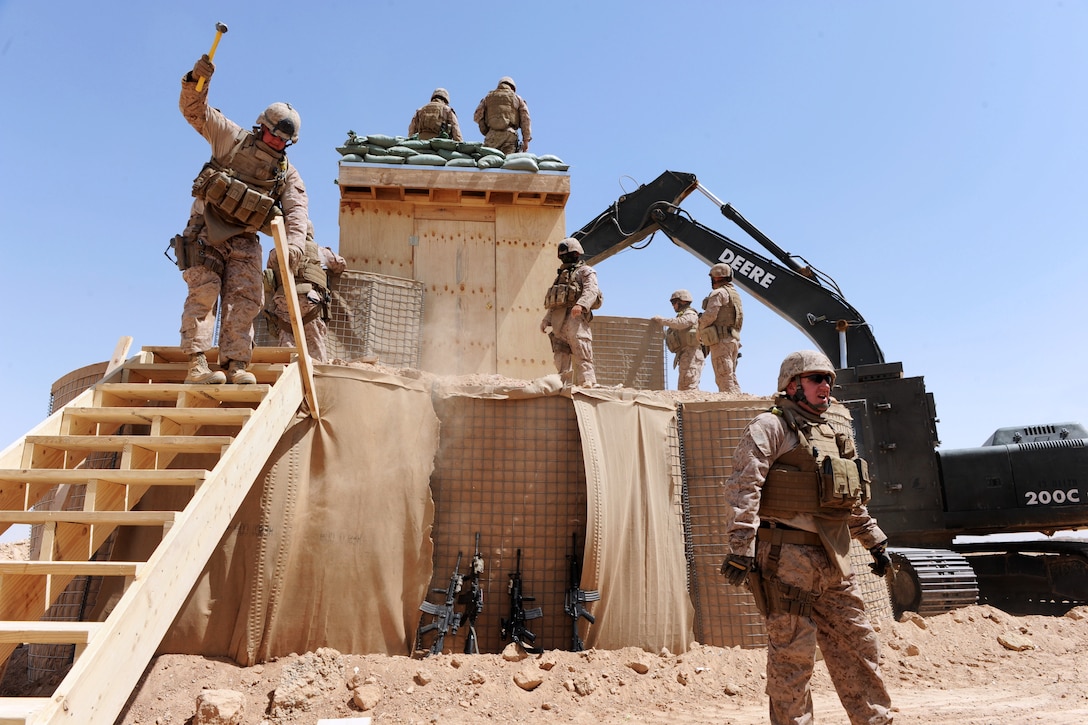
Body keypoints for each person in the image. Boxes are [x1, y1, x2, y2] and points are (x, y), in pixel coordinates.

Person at [720, 350, 894, 725]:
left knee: (859, 645)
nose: (825, 385)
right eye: (816, 378)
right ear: (792, 385)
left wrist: (874, 541)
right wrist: (741, 548)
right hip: (786, 561)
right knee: (793, 657)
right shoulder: (770, 427)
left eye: (828, 379)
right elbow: (743, 488)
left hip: (835, 560)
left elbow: (849, 500)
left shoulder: (835, 434)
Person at [176, 53, 309, 385]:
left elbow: (297, 212)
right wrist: (196, 82)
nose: (276, 142)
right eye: (273, 134)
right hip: (206, 229)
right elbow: (195, 111)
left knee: (246, 299)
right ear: (261, 125)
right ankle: (196, 365)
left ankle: (236, 364)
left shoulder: (286, 174)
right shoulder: (231, 138)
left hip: (245, 239)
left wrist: (293, 247)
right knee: (204, 293)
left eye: (283, 140)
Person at [264, 221, 347, 363]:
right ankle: (316, 371)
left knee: (287, 342)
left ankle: (288, 371)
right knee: (314, 342)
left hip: (284, 300)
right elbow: (340, 264)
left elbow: (270, 272)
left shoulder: (276, 252)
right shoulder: (320, 251)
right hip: (309, 301)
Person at [540, 238, 601, 387]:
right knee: (560, 353)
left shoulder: (585, 271)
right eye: (562, 256)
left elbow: (591, 290)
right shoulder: (560, 276)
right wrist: (546, 319)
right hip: (558, 320)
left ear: (576, 254)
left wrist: (581, 304)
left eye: (568, 254)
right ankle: (563, 384)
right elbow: (555, 301)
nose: (565, 258)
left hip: (576, 319)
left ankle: (587, 381)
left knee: (582, 350)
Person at [698, 262, 743, 393]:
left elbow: (710, 315)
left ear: (716, 277)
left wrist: (699, 329)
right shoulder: (734, 294)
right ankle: (738, 400)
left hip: (721, 341)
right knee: (730, 376)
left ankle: (731, 403)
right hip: (732, 339)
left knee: (723, 377)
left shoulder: (719, 293)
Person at [651, 289, 705, 391]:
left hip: (692, 355)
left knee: (689, 387)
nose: (673, 306)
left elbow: (680, 323)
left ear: (683, 301)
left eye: (674, 302)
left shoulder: (691, 314)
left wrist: (662, 320)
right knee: (684, 387)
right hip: (685, 355)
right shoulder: (681, 316)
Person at [473, 76, 532, 153]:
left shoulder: (487, 98)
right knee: (509, 159)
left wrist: (485, 131)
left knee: (490, 158)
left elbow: (477, 116)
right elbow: (526, 119)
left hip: (492, 135)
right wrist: (526, 141)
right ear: (512, 87)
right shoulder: (517, 98)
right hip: (510, 134)